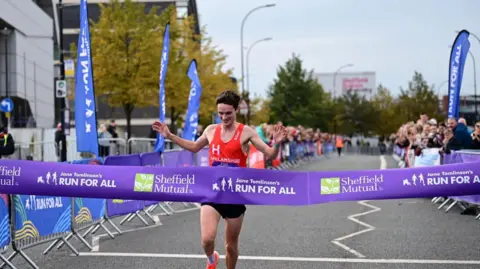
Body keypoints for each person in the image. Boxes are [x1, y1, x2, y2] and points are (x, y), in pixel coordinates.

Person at [152, 90, 286, 269]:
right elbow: (194, 147)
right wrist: (170, 136)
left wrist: (276, 142)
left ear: (236, 110)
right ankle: (211, 259)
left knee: (231, 246)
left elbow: (269, 153)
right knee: (207, 240)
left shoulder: (246, 132)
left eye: (228, 113)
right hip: (213, 192)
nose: (224, 117)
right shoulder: (211, 130)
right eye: (220, 113)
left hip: (235, 195)